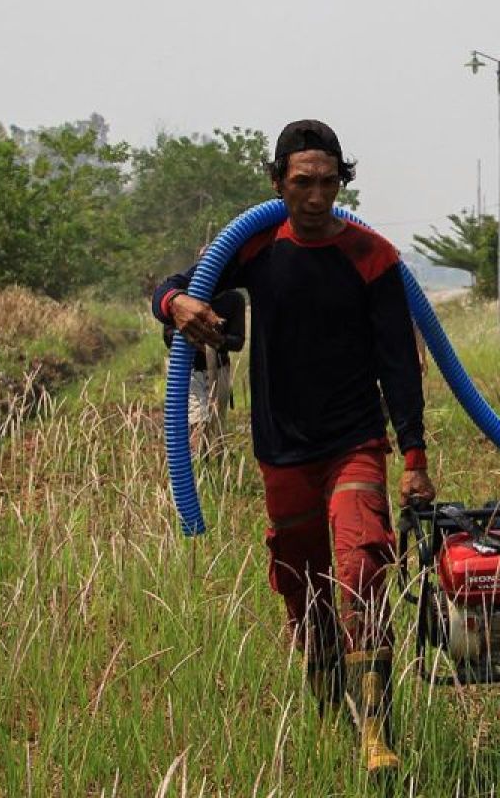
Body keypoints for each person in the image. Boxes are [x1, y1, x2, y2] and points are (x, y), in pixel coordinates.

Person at [152, 119, 435, 774]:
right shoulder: (251, 246)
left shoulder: (374, 259)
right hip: (282, 448)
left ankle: (377, 732)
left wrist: (415, 461)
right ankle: (330, 715)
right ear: (278, 182)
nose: (315, 196)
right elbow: (174, 287)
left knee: (361, 569)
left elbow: (399, 366)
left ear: (343, 182)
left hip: (354, 440)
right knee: (302, 589)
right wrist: (177, 307)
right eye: (302, 182)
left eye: (328, 182)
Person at [161, 289, 246, 453]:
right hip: (187, 372)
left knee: (216, 427)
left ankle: (216, 469)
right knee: (197, 425)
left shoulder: (232, 299)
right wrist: (190, 331)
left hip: (219, 369)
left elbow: (238, 342)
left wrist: (216, 338)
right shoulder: (181, 297)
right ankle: (196, 468)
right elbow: (168, 336)